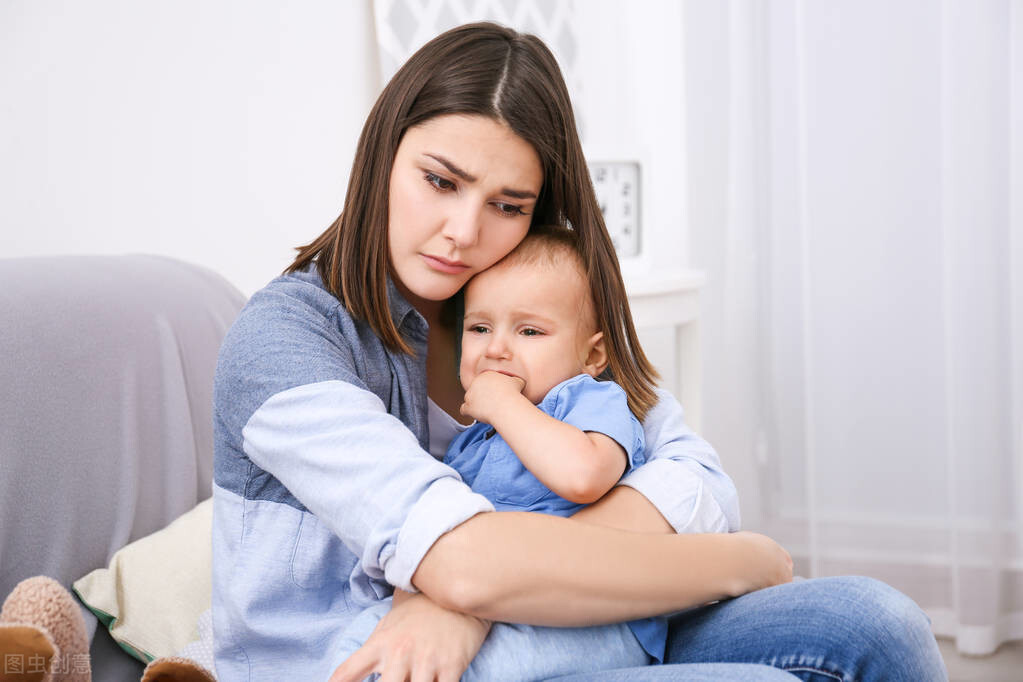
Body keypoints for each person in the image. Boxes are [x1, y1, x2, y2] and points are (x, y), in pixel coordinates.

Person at [209, 20, 946, 682]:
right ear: (380, 158)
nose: (464, 231)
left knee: (876, 621)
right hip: (367, 660)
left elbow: (695, 477)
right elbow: (460, 560)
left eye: (507, 205)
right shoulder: (285, 340)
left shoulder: (523, 293)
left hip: (546, 622)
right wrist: (734, 562)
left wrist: (477, 596)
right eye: (440, 181)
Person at [333, 226, 675, 679]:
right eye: (480, 328)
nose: (496, 348)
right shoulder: (471, 444)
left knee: (472, 671)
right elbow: (432, 540)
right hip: (491, 603)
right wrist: (408, 608)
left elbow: (584, 475)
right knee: (361, 644)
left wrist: (504, 404)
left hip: (591, 614)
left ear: (594, 356)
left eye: (529, 330)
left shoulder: (588, 400)